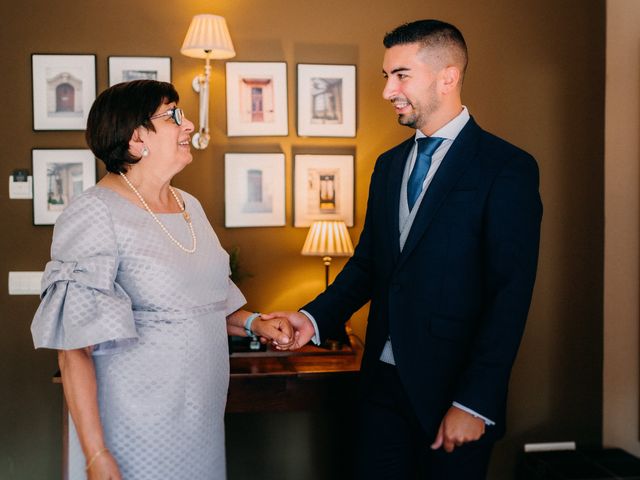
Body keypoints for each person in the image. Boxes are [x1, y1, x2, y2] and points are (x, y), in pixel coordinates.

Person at [264, 19, 542, 479]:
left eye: (401, 75)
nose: (388, 90)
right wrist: (312, 317)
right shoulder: (389, 165)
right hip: (380, 389)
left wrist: (474, 402)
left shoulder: (506, 168)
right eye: (386, 76)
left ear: (447, 76)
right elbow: (370, 264)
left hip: (453, 393)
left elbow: (509, 296)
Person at [31, 80, 293, 480]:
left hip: (200, 421)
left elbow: (200, 305)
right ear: (136, 139)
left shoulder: (191, 206)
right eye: (173, 116)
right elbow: (74, 350)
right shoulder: (94, 213)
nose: (188, 125)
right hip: (134, 425)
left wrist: (255, 322)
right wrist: (97, 454)